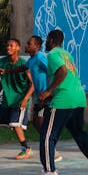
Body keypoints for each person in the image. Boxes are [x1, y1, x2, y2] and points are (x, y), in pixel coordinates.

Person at [37, 30, 88, 175]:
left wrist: (48, 91)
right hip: (78, 98)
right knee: (80, 134)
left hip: (63, 101)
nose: (45, 42)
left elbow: (63, 72)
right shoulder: (67, 55)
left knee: (47, 137)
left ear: (51, 40)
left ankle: (50, 172)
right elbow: (67, 78)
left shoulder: (53, 54)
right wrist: (49, 95)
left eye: (47, 40)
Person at [24, 35, 62, 163]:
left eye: (29, 44)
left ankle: (52, 150)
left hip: (45, 98)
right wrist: (8, 71)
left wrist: (49, 91)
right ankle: (50, 146)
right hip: (38, 98)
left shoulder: (40, 58)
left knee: (41, 122)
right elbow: (23, 68)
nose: (26, 46)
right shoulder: (31, 60)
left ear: (37, 46)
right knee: (35, 122)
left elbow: (52, 71)